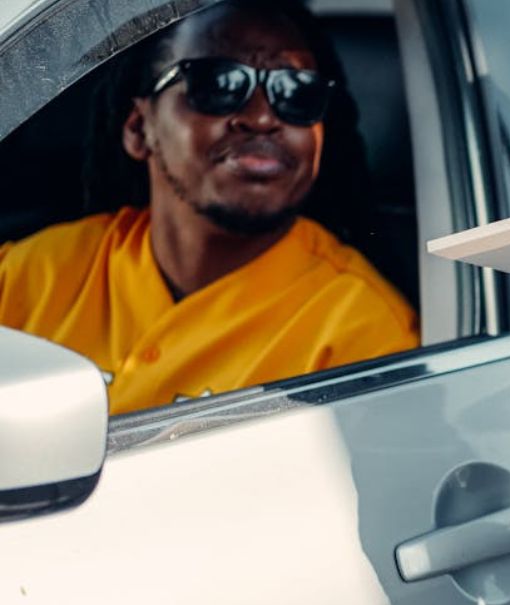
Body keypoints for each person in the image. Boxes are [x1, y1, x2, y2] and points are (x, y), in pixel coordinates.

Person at [0, 0, 418, 416]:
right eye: (218, 84)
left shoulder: (361, 331)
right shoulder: (30, 275)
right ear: (138, 128)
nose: (260, 117)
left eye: (296, 93)